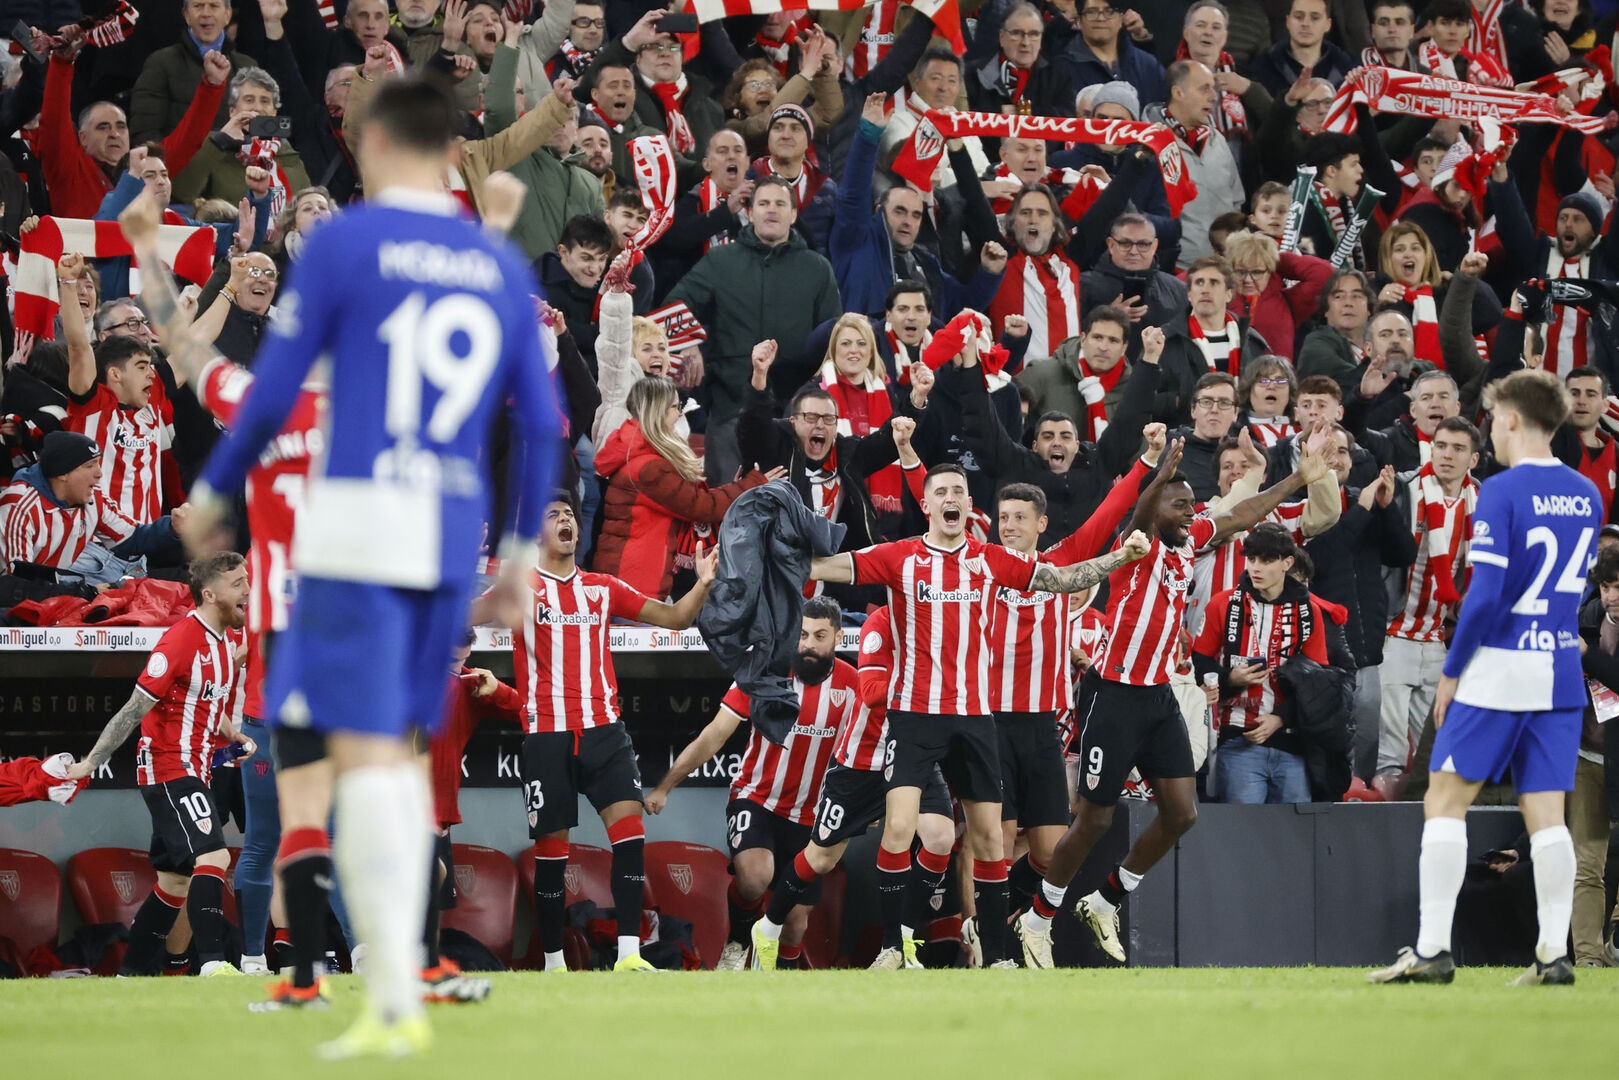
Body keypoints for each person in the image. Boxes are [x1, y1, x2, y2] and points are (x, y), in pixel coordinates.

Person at [183, 77, 561, 1058]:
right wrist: (518, 553)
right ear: (451, 154)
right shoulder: (490, 260)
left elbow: (270, 388)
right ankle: (398, 980)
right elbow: (542, 421)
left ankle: (387, 988)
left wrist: (217, 492)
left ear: (372, 143)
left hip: (355, 521)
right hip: (448, 529)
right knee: (397, 747)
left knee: (352, 761)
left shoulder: (347, 243)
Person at [809, 437, 1161, 966]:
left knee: (991, 843)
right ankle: (889, 950)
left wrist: (1120, 556)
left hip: (976, 719)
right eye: (940, 490)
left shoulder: (991, 561)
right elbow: (829, 568)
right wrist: (776, 553)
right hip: (915, 715)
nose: (952, 497)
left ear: (969, 507)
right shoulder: (899, 558)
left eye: (961, 490)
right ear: (926, 505)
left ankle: (995, 953)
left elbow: (1064, 578)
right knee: (902, 827)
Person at [121, 182, 336, 1002]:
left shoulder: (258, 402)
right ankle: (286, 965)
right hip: (315, 642)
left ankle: (282, 965)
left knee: (276, 835)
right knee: (301, 828)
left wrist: (146, 246)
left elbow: (179, 345)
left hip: (276, 649)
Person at [1013, 432, 1332, 966]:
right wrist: (1156, 478)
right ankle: (1038, 919)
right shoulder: (1139, 544)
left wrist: (1300, 477)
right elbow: (1138, 517)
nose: (1192, 512)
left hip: (1157, 696)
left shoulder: (1190, 539)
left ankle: (1106, 898)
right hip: (1112, 694)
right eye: (1180, 503)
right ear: (1157, 504)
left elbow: (1243, 513)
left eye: (1192, 504)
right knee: (1093, 819)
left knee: (1182, 814)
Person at [1369, 370, 1600, 986]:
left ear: (1515, 420)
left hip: (1500, 665)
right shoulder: (1587, 494)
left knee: (1444, 802)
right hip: (1557, 670)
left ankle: (1431, 949)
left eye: (1495, 419)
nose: (1492, 431)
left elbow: (1486, 595)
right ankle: (1553, 955)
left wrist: (1452, 671)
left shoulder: (1500, 492)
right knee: (1546, 814)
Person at [478, 491, 716, 972]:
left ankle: (629, 954)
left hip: (605, 732)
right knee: (552, 852)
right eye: (553, 515)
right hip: (548, 734)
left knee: (629, 836)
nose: (566, 519)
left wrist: (705, 582)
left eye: (570, 514)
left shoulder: (603, 588)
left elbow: (676, 617)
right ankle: (552, 963)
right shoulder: (520, 586)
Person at [991, 445, 1169, 964]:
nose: (1008, 526)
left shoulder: (1061, 561)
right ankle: (991, 949)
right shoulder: (980, 566)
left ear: (1041, 523)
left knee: (1048, 855)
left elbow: (1109, 513)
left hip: (1043, 728)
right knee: (995, 847)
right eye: (1002, 518)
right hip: (993, 722)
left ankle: (1011, 923)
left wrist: (1145, 461)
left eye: (1019, 518)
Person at [66, 553, 253, 977]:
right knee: (214, 856)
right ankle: (213, 965)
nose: (247, 590)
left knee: (174, 881)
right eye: (238, 583)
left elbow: (204, 701)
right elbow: (133, 709)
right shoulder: (180, 640)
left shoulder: (223, 641)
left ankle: (131, 974)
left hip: (197, 766)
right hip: (170, 768)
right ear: (209, 594)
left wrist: (233, 735)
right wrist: (90, 762)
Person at [744, 604, 958, 970]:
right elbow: (874, 691)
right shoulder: (883, 625)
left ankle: (901, 941)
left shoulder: (947, 630)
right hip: (863, 763)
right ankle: (767, 927)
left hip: (911, 756)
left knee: (940, 837)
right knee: (821, 858)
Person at [646, 599, 855, 970]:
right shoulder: (765, 671)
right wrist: (665, 786)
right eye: (802, 634)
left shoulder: (853, 687)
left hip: (812, 816)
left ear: (838, 637)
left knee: (795, 921)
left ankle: (780, 983)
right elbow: (714, 735)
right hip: (756, 799)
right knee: (755, 878)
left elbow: (866, 754)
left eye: (819, 636)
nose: (808, 644)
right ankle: (738, 942)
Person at [665, 175, 842, 484]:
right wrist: (689, 341)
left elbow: (834, 341)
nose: (771, 211)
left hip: (797, 417)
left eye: (779, 204)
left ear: (794, 214)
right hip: (730, 409)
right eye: (763, 203)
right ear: (749, 211)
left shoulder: (817, 268)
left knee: (795, 515)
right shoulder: (720, 260)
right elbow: (673, 305)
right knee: (727, 510)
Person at [1377, 417, 1482, 788]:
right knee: (1388, 748)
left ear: (1473, 459)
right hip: (1394, 632)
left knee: (1432, 743)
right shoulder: (1405, 489)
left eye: (1458, 449)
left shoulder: (1481, 501)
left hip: (1439, 636)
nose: (1447, 455)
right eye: (1440, 446)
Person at [1193, 523, 1330, 803]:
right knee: (1244, 837)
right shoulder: (1223, 603)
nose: (1255, 567)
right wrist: (1229, 680)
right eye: (1251, 558)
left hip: (1293, 744)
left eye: (1266, 560)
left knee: (1295, 837)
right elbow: (1199, 662)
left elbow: (1320, 684)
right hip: (1237, 741)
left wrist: (1281, 718)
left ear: (1287, 563)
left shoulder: (1309, 611)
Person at [56, 254, 174, 528]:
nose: (150, 373)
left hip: (145, 544)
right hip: (96, 546)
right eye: (142, 366)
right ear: (115, 374)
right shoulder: (93, 404)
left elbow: (197, 341)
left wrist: (230, 287)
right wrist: (68, 282)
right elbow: (78, 346)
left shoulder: (150, 400)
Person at [0, 430, 183, 582]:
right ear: (63, 473)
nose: (99, 474)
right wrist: (82, 591)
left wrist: (172, 527)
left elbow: (131, 539)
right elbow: (17, 579)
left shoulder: (93, 498)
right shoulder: (18, 505)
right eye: (90, 465)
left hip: (51, 594)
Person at [1145, 60, 1244, 268]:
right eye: (1204, 89)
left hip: (1224, 270)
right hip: (1174, 269)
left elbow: (1235, 202)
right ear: (1178, 93)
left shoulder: (1218, 140)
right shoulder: (1148, 145)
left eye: (1214, 88)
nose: (1214, 96)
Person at [172, 67, 314, 207]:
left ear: (274, 112)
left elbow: (306, 202)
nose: (257, 108)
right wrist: (220, 143)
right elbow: (182, 194)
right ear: (232, 111)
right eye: (249, 100)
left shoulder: (286, 151)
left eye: (265, 101)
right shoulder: (212, 145)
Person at [129, 0, 256, 145]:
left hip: (235, 164)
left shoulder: (247, 67)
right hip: (179, 165)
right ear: (186, 15)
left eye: (213, 6)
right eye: (198, 6)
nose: (206, 13)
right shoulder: (160, 63)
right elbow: (144, 133)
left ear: (227, 15)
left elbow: (259, 129)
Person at [1245, 0, 1355, 96]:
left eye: (1315, 18)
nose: (1306, 24)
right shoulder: (1263, 66)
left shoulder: (1348, 70)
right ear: (1288, 21)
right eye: (1298, 17)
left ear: (1328, 24)